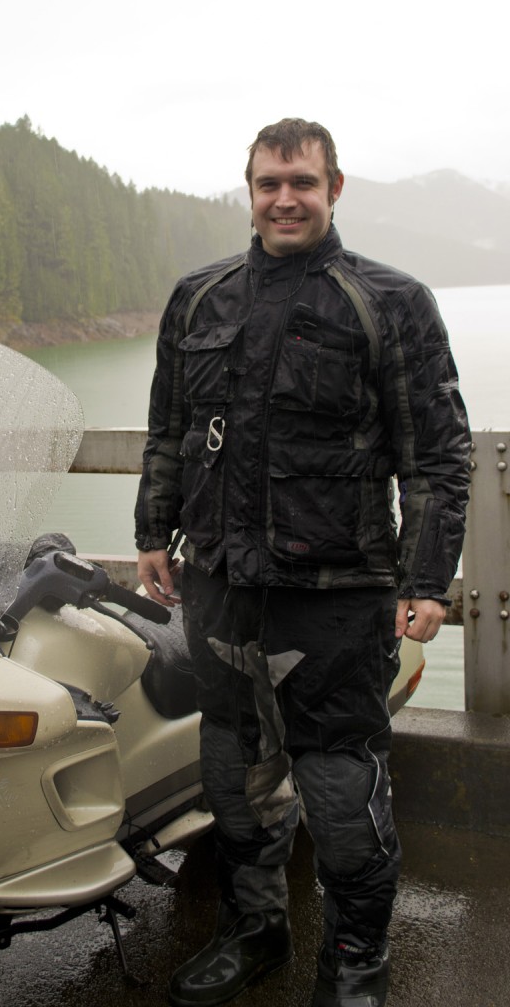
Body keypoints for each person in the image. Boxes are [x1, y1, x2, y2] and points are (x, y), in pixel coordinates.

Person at [134, 118, 470, 1007]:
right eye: (269, 182)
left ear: (334, 189)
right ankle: (255, 931)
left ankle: (357, 964)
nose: (286, 198)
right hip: (219, 595)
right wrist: (150, 532)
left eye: (303, 183)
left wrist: (427, 580)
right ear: (248, 190)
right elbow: (168, 431)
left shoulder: (389, 302)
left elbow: (436, 453)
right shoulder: (199, 300)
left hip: (334, 605)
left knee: (341, 798)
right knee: (232, 787)